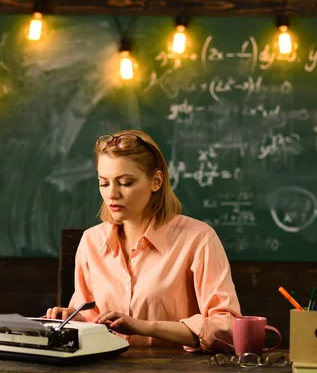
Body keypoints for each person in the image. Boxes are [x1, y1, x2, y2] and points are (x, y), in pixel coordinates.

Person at [45, 129, 241, 352]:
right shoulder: (91, 241)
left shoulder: (198, 239)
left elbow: (228, 327)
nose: (112, 194)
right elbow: (89, 316)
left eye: (125, 183)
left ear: (156, 181)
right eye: (104, 183)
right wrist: (71, 317)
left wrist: (145, 327)